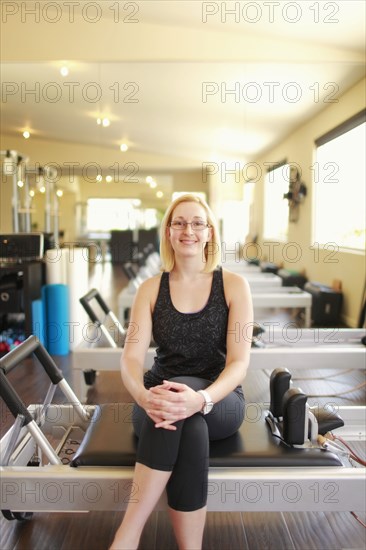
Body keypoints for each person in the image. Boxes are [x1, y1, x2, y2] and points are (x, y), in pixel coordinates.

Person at [110, 193, 253, 550]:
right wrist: (143, 396)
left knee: (186, 405)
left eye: (197, 223)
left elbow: (238, 363)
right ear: (169, 233)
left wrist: (201, 398)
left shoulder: (234, 286)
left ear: (210, 233)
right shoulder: (149, 289)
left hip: (219, 400)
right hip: (155, 402)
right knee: (186, 424)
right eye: (179, 223)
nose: (188, 229)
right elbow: (130, 359)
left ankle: (127, 536)